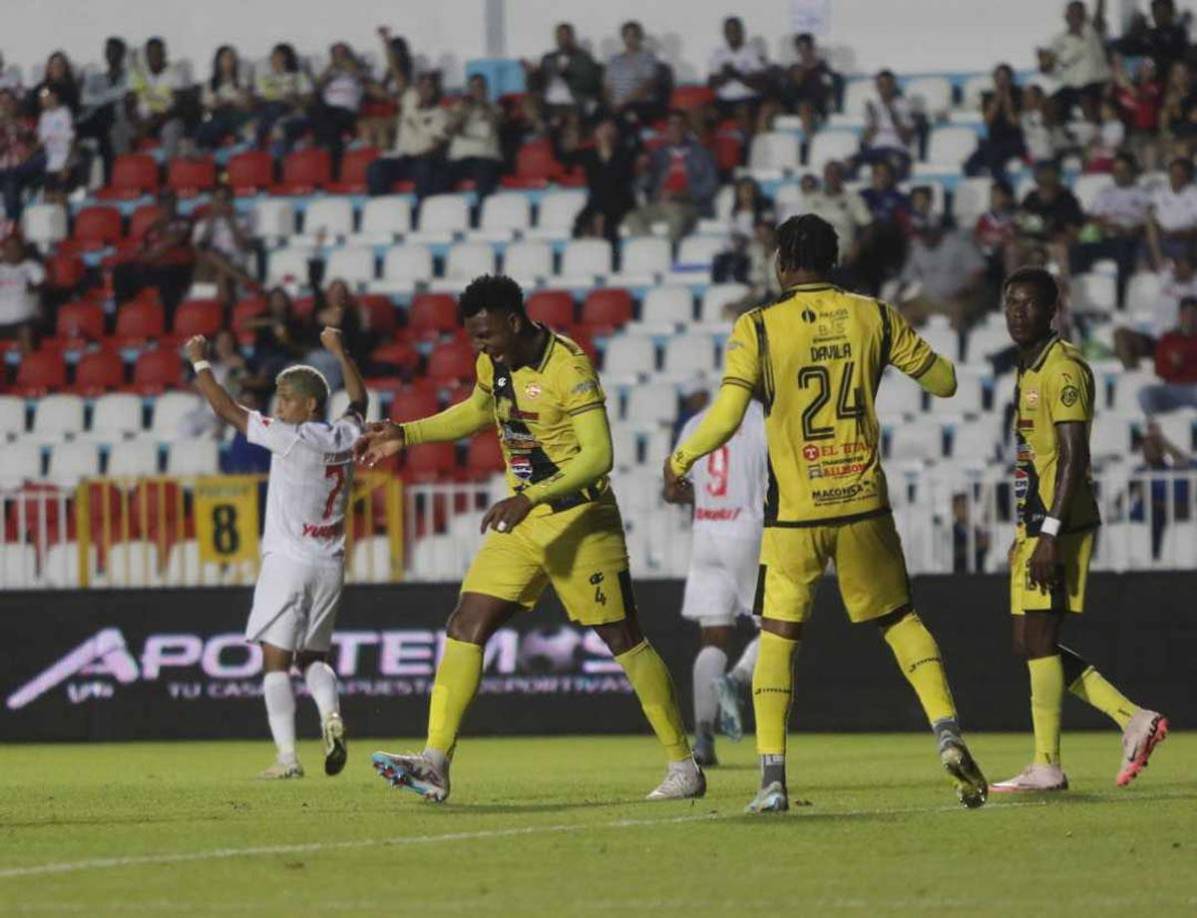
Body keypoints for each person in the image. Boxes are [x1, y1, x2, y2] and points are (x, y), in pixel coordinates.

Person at [664, 214, 988, 814]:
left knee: (780, 638)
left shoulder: (757, 326)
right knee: (899, 621)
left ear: (783, 263)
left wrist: (680, 457)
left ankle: (771, 781)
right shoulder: (874, 315)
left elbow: (730, 413)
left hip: (795, 514)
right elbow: (944, 382)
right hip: (863, 501)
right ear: (834, 262)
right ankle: (947, 733)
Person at [358, 274, 703, 803]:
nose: (480, 347)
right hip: (522, 522)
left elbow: (598, 456)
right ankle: (435, 761)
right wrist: (408, 433)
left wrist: (532, 496)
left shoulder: (569, 367)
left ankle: (684, 765)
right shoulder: (492, 364)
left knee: (622, 638)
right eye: (474, 337)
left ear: (514, 323)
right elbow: (477, 412)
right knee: (465, 624)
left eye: (487, 336)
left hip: (579, 520)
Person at [991, 267, 1168, 793]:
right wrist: (1025, 530)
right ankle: (1133, 719)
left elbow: (1074, 458)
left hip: (1060, 525)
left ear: (1052, 311)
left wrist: (1047, 533)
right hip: (1039, 522)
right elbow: (1038, 461)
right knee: (1028, 642)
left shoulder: (1064, 370)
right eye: (1010, 304)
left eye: (1028, 305)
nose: (1017, 313)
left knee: (1040, 639)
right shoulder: (1028, 368)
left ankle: (1047, 763)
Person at [185, 326, 363, 779]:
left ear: (310, 407)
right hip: (330, 565)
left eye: (287, 400)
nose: (278, 407)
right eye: (279, 399)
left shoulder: (289, 437)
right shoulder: (344, 436)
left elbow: (224, 408)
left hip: (288, 563)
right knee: (315, 660)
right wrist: (341, 353)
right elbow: (359, 402)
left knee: (275, 663)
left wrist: (200, 361)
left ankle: (287, 757)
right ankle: (331, 716)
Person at [665, 392, 767, 767]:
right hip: (747, 530)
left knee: (713, 636)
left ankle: (704, 739)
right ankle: (737, 681)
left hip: (706, 531)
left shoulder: (697, 422)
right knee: (777, 626)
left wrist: (706, 496)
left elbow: (672, 489)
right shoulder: (763, 420)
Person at [621, 110, 718, 241]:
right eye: (671, 124)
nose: (675, 128)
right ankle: (655, 250)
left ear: (686, 128)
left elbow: (710, 187)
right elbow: (643, 186)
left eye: (679, 124)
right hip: (660, 204)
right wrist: (643, 171)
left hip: (690, 206)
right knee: (632, 217)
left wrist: (680, 194)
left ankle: (668, 253)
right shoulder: (657, 155)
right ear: (666, 129)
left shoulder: (702, 154)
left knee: (676, 217)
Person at [1073, 152, 1149, 307]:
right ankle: (1080, 298)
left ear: (1132, 171)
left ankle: (1120, 301)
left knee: (1123, 249)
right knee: (1078, 250)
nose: (1120, 174)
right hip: (1106, 236)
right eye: (1116, 171)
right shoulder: (1105, 192)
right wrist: (1108, 225)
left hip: (1131, 238)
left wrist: (1132, 229)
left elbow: (1149, 221)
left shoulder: (1143, 193)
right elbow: (1092, 217)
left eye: (1124, 170)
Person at [112, 188, 194, 319]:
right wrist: (146, 257)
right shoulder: (153, 227)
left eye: (170, 202)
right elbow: (141, 250)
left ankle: (169, 321)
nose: (166, 206)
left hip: (175, 267)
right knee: (122, 271)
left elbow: (170, 243)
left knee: (168, 277)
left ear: (175, 203)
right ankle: (122, 314)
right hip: (152, 266)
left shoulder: (183, 222)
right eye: (163, 203)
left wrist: (149, 256)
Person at [366, 73, 449, 199]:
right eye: (421, 86)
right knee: (375, 168)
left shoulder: (441, 114)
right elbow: (384, 90)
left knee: (425, 169)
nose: (424, 90)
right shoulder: (409, 100)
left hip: (423, 160)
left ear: (436, 90)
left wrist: (418, 156)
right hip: (401, 159)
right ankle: (382, 210)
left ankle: (422, 212)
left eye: (429, 87)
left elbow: (438, 146)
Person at [897, 219, 988, 329]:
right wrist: (897, 296)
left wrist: (965, 292)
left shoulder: (960, 245)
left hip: (958, 298)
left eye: (927, 232)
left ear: (937, 231)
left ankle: (958, 343)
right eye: (921, 233)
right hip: (928, 299)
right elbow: (907, 277)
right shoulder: (918, 248)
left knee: (958, 320)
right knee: (904, 313)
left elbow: (978, 272)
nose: (924, 236)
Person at [1113, 252, 1197, 368]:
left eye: (1182, 265)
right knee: (1120, 335)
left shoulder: (1194, 287)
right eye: (1177, 265)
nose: (1177, 268)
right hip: (1155, 339)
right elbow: (1156, 254)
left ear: (1191, 270)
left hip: (1178, 341)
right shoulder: (1166, 277)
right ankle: (1132, 375)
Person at [566, 117, 637, 243]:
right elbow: (565, 159)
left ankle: (610, 256)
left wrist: (607, 155)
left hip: (620, 202)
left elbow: (616, 180)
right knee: (580, 223)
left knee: (606, 224)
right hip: (596, 202)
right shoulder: (588, 154)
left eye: (609, 129)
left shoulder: (625, 154)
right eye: (603, 129)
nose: (606, 133)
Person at [1041, 0, 1110, 117]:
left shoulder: (1093, 31)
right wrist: (1044, 63)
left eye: (1078, 12)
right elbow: (1047, 68)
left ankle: (1093, 131)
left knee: (1085, 98)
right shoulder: (1058, 40)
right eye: (1071, 12)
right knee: (1049, 104)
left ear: (1084, 15)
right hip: (1071, 86)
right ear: (1066, 16)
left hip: (1096, 83)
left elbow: (1100, 13)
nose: (1074, 15)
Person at [191, 184, 258, 305]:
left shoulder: (242, 221)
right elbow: (199, 251)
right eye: (218, 200)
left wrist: (231, 222)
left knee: (222, 274)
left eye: (225, 199)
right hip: (207, 266)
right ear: (212, 202)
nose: (221, 203)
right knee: (210, 254)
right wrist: (210, 223)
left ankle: (225, 314)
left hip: (235, 263)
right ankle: (242, 280)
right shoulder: (201, 224)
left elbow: (244, 248)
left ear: (231, 201)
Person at [77, 37, 133, 183]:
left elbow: (126, 93)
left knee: (107, 124)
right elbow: (85, 99)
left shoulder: (130, 76)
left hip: (120, 121)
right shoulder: (95, 78)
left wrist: (101, 98)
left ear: (122, 54)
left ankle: (110, 180)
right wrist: (113, 96)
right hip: (95, 121)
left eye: (115, 51)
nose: (111, 55)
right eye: (108, 51)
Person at [524, 23, 603, 117]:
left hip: (573, 100)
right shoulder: (548, 58)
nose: (563, 39)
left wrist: (567, 74)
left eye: (565, 35)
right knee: (528, 102)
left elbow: (590, 84)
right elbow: (535, 86)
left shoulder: (583, 58)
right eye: (559, 36)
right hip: (549, 100)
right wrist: (533, 74)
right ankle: (542, 129)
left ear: (572, 37)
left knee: (570, 113)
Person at [965, 64, 1026, 182]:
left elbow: (1014, 122)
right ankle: (988, 181)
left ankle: (1001, 187)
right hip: (994, 141)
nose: (1001, 81)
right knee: (970, 164)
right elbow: (988, 121)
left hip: (1014, 141)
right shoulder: (988, 96)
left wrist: (1007, 100)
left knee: (995, 158)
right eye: (998, 78)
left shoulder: (1019, 94)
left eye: (1005, 78)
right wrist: (997, 100)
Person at [446, 74, 503, 199]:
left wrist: (481, 104)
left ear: (486, 89)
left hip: (485, 158)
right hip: (460, 160)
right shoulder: (459, 108)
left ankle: (482, 213)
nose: (477, 91)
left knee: (484, 172)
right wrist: (463, 112)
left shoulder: (495, 108)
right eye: (473, 88)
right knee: (440, 175)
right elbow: (449, 130)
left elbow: (495, 123)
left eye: (480, 87)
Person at [310, 42, 365, 169]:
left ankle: (324, 145)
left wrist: (348, 66)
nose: (339, 57)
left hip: (348, 111)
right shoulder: (330, 72)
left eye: (342, 54)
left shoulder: (357, 70)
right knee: (321, 115)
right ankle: (334, 154)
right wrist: (330, 68)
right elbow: (316, 87)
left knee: (327, 122)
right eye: (336, 54)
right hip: (328, 112)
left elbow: (363, 78)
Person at [129, 37, 186, 158]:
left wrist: (155, 121)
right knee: (119, 128)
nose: (155, 57)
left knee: (172, 129)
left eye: (158, 53)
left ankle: (169, 173)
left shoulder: (175, 73)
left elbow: (178, 107)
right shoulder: (139, 75)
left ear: (164, 54)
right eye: (151, 53)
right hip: (142, 122)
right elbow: (130, 103)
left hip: (166, 120)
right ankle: (125, 172)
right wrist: (137, 123)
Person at [853, 70, 916, 179]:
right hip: (876, 150)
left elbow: (907, 140)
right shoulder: (873, 106)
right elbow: (866, 140)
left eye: (888, 85)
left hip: (896, 149)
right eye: (881, 85)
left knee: (895, 165)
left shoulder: (904, 105)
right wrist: (873, 122)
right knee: (849, 163)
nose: (885, 89)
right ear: (877, 87)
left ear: (893, 86)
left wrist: (894, 116)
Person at [1139, 296, 1197, 414]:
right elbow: (1159, 370)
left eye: (1193, 313)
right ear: (1179, 315)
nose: (1189, 317)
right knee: (1145, 394)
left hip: (1194, 388)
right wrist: (1174, 366)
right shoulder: (1167, 339)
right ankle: (1155, 427)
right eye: (1186, 313)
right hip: (1171, 388)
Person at [252, 43, 313, 154]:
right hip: (268, 113)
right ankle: (260, 155)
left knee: (279, 126)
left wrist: (294, 100)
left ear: (288, 58)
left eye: (280, 57)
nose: (276, 60)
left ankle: (277, 162)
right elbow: (257, 101)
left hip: (292, 114)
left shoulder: (298, 77)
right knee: (270, 111)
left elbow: (309, 101)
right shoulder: (265, 79)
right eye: (274, 57)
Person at [707, 16, 769, 116]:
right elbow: (711, 83)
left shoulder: (753, 52)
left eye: (735, 30)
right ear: (724, 33)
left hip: (747, 99)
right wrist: (726, 75)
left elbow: (761, 82)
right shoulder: (718, 54)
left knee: (742, 110)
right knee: (702, 113)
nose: (732, 33)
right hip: (723, 100)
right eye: (728, 30)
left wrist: (737, 75)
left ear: (741, 31)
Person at [196, 45, 253, 150]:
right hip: (217, 115)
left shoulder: (242, 81)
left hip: (238, 116)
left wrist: (234, 102)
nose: (228, 61)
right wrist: (217, 104)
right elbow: (206, 108)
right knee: (207, 125)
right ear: (218, 61)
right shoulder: (210, 84)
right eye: (225, 58)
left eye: (231, 58)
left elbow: (248, 106)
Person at [604, 21, 660, 124]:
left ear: (639, 38)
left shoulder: (647, 57)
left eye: (633, 36)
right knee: (598, 111)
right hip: (616, 104)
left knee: (627, 117)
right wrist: (610, 103)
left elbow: (647, 86)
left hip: (637, 103)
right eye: (627, 35)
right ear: (623, 38)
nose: (630, 39)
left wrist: (624, 101)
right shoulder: (614, 60)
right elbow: (608, 87)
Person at [1146, 157, 1197, 268]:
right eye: (1173, 173)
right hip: (1161, 238)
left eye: (1180, 174)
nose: (1175, 177)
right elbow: (1150, 215)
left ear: (1187, 176)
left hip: (1186, 240)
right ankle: (1145, 279)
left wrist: (1185, 234)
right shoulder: (1159, 192)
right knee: (1144, 243)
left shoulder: (1194, 194)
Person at [0, 89, 42, 221]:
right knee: (9, 179)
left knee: (46, 158)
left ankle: (14, 223)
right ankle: (13, 224)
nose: (5, 105)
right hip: (3, 169)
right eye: (2, 102)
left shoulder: (27, 122)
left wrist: (30, 152)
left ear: (15, 103)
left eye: (8, 102)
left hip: (25, 166)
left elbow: (41, 141)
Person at [783, 33, 837, 136]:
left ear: (813, 48)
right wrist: (796, 83)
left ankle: (809, 143)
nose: (804, 52)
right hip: (796, 105)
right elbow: (788, 95)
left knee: (804, 107)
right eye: (801, 49)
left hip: (818, 105)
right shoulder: (793, 70)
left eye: (807, 48)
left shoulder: (823, 69)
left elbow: (829, 90)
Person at [0, 234, 45, 351]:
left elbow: (40, 285)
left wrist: (32, 287)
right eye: (8, 248)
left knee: (26, 332)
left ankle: (29, 368)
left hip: (24, 321)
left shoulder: (31, 267)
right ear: (3, 250)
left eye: (15, 248)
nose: (12, 251)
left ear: (22, 250)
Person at [35, 86, 77, 205]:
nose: (44, 100)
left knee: (61, 197)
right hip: (51, 163)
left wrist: (67, 164)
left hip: (64, 161)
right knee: (48, 198)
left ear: (55, 96)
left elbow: (71, 139)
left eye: (47, 97)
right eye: (42, 98)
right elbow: (41, 141)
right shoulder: (44, 116)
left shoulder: (64, 113)